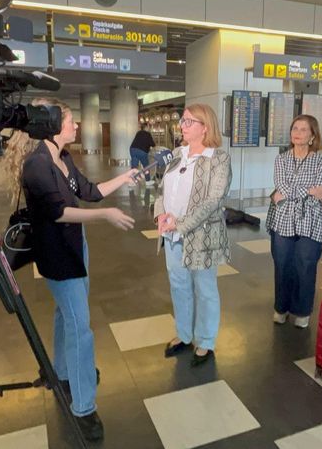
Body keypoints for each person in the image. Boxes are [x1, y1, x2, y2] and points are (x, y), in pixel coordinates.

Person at [18, 97, 137, 440]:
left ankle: (62, 372)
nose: (76, 126)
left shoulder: (63, 158)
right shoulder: (37, 165)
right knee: (80, 328)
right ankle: (83, 407)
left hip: (74, 246)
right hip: (57, 254)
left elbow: (90, 191)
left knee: (66, 314)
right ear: (54, 125)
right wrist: (106, 215)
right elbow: (58, 212)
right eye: (70, 121)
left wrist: (123, 178)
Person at [155, 103, 231, 367]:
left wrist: (181, 224)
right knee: (179, 286)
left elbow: (214, 200)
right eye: (182, 121)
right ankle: (185, 335)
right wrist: (160, 214)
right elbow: (161, 189)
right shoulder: (177, 154)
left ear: (205, 127)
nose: (182, 126)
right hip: (172, 235)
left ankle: (206, 341)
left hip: (201, 236)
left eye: (189, 121)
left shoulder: (218, 159)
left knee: (205, 289)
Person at [267, 115, 322, 329]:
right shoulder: (281, 159)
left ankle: (303, 311)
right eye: (295, 128)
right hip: (283, 218)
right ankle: (281, 307)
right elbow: (281, 185)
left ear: (313, 135)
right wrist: (309, 190)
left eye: (304, 129)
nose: (298, 133)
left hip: (311, 219)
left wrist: (291, 193)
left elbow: (319, 192)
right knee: (282, 264)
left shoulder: (320, 160)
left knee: (306, 265)